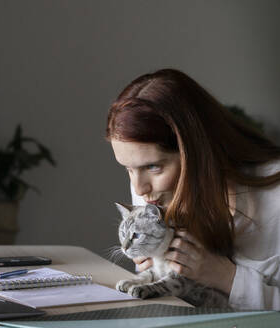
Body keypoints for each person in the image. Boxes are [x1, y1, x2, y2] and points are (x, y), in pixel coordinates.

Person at [105, 68, 280, 310]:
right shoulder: (151, 193)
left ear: (196, 153)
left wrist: (224, 276)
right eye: (128, 169)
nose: (139, 188)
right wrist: (151, 264)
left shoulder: (275, 196)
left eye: (153, 166)